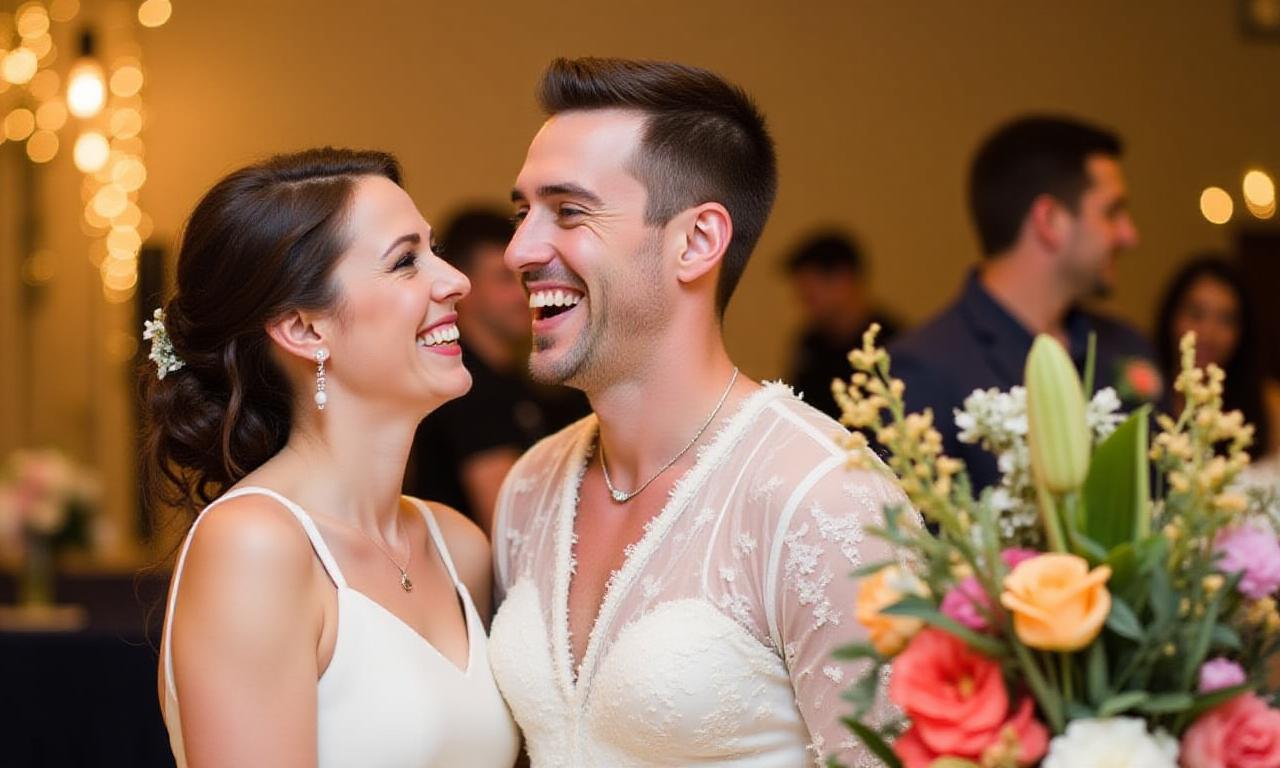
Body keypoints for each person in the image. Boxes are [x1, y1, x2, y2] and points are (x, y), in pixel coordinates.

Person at [487, 57, 908, 767]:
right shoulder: (531, 485)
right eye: (522, 211)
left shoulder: (826, 495)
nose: (519, 250)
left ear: (697, 242)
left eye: (568, 211)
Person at [145, 149, 518, 767]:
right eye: (406, 262)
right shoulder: (255, 545)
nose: (456, 281)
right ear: (305, 330)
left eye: (434, 249)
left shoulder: (458, 547)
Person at [889, 115, 1157, 491]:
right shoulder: (922, 373)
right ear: (1050, 220)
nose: (1130, 236)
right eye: (1112, 212)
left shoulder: (1124, 346)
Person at [404, 207, 589, 533]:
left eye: (524, 278)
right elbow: (512, 528)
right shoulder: (467, 386)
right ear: (463, 287)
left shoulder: (513, 382)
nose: (524, 293)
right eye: (504, 280)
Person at [1155, 255, 1280, 458]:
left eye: (1226, 320)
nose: (1208, 334)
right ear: (1171, 317)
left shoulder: (1269, 406)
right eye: (1196, 314)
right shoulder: (1144, 393)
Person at [785, 230, 901, 419]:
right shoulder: (811, 344)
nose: (805, 307)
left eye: (810, 297)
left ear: (843, 281)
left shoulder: (892, 344)